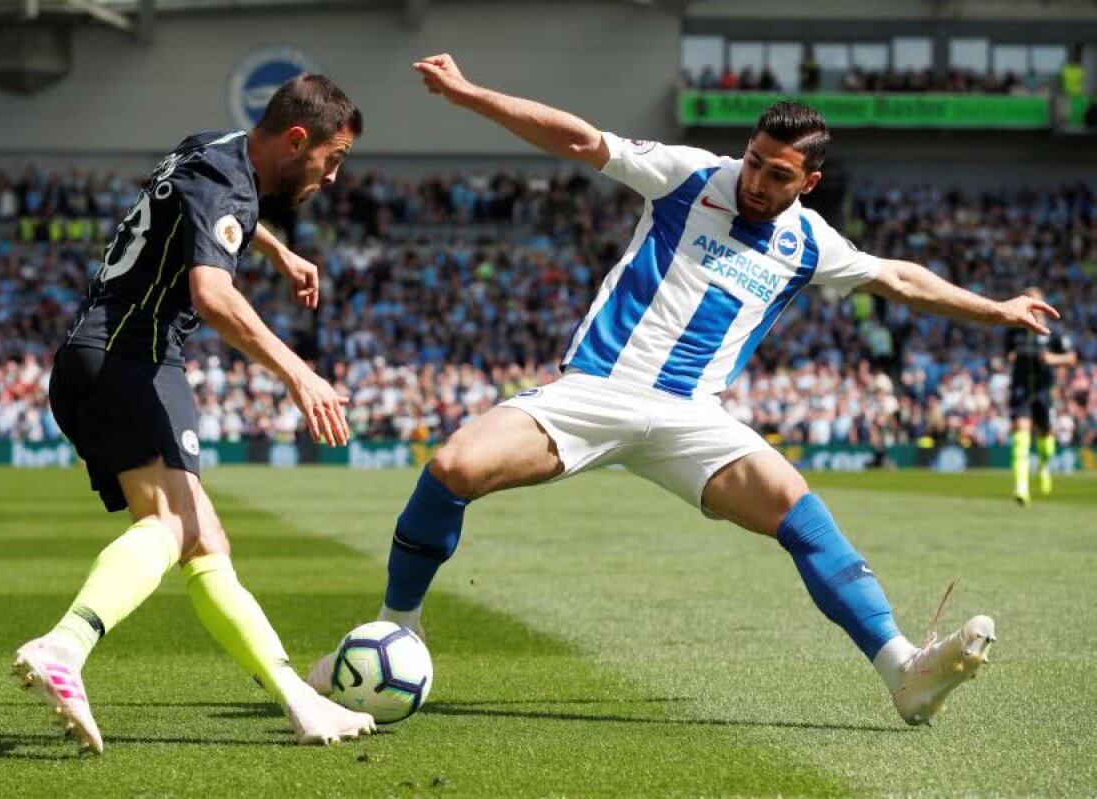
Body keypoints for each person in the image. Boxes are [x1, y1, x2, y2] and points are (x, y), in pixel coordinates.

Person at [310, 54, 1060, 728]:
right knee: (453, 469)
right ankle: (396, 626)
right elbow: (578, 140)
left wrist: (996, 308)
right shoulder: (691, 175)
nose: (758, 182)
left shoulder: (811, 242)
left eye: (778, 174)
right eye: (755, 162)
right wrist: (470, 95)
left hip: (692, 419)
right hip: (599, 389)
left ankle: (903, 671)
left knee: (800, 512)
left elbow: (900, 277)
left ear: (810, 181)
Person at [12, 74, 376, 753]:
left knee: (205, 540)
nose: (332, 176)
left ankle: (300, 701)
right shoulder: (233, 183)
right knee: (174, 527)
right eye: (334, 157)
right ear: (298, 139)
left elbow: (209, 214)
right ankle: (64, 645)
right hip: (135, 358)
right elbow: (210, 294)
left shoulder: (210, 146)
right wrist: (299, 375)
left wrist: (277, 250)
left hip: (97, 355)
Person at [1005, 287, 1077, 504]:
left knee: (1045, 435)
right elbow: (1008, 353)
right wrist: (1012, 357)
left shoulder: (1053, 331)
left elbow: (1071, 358)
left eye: (1036, 303)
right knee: (1021, 433)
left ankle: (1044, 465)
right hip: (1021, 390)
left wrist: (1051, 360)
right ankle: (1021, 485)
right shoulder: (1014, 331)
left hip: (1044, 391)